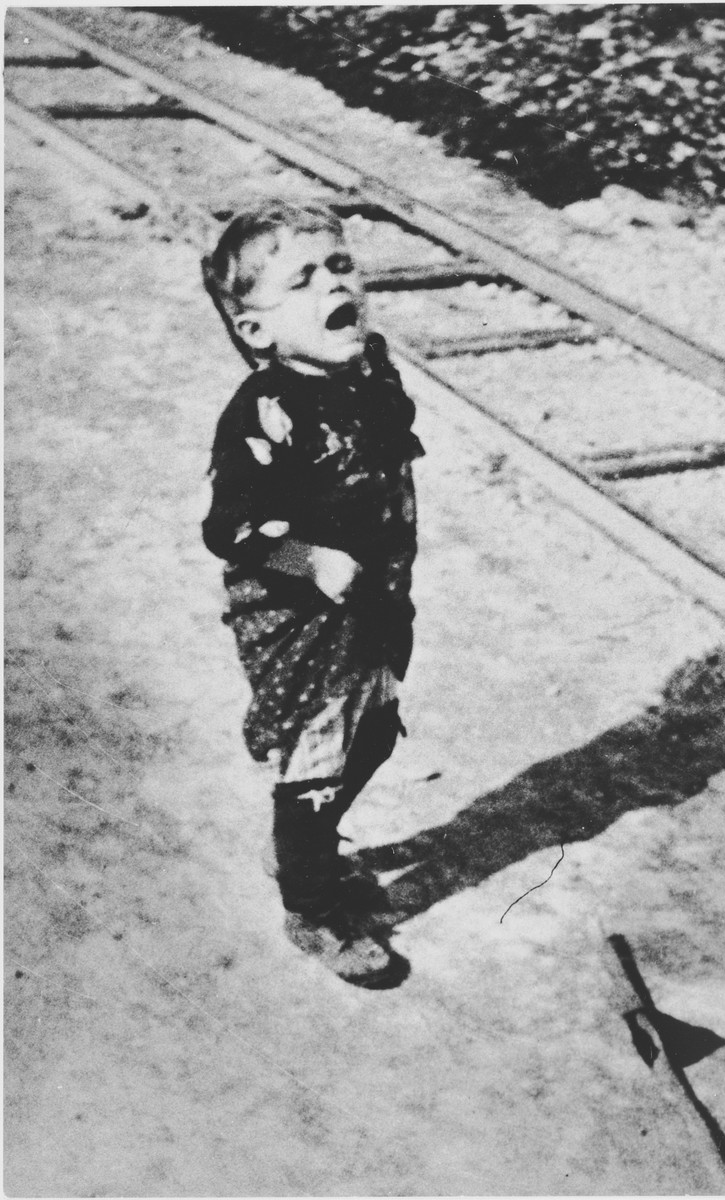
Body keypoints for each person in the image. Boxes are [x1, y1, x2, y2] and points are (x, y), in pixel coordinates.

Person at [201, 200, 423, 987]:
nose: (334, 283)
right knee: (317, 759)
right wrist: (307, 555)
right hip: (299, 615)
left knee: (373, 730)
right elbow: (229, 528)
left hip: (378, 596)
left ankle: (303, 841)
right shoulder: (265, 412)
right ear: (256, 330)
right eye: (302, 280)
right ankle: (312, 904)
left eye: (339, 265)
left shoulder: (370, 368)